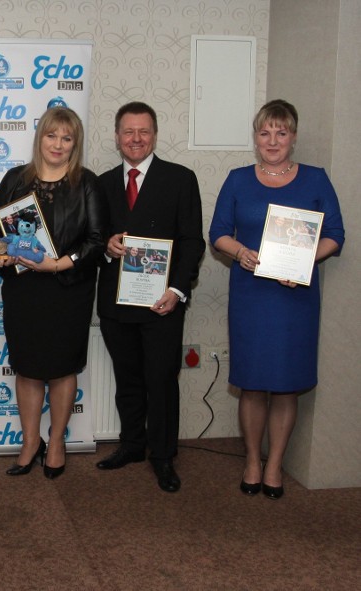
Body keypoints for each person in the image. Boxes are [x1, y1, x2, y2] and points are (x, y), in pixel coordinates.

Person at [209, 99, 344, 500]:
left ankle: (274, 465)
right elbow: (217, 232)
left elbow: (336, 235)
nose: (272, 140)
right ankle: (252, 459)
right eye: (265, 132)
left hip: (295, 298)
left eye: (281, 132)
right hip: (251, 294)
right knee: (252, 384)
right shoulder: (237, 179)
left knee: (286, 384)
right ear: (255, 138)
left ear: (294, 137)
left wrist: (305, 260)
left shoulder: (317, 180)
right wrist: (240, 252)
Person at [0, 107, 107, 479]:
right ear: (40, 138)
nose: (58, 144)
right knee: (27, 368)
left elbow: (97, 241)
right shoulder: (14, 179)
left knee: (60, 370)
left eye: (66, 138)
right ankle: (29, 442)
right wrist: (0, 253)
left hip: (66, 290)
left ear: (75, 144)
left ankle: (56, 442)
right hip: (24, 290)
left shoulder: (86, 183)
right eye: (51, 136)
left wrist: (59, 263)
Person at [96, 102, 205, 493]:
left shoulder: (180, 179)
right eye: (128, 131)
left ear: (154, 135)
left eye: (143, 131)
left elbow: (193, 241)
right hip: (116, 302)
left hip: (163, 303)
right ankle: (132, 445)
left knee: (160, 380)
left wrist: (177, 290)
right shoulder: (103, 183)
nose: (136, 139)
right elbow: (92, 239)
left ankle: (163, 456)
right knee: (127, 379)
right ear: (117, 136)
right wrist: (106, 245)